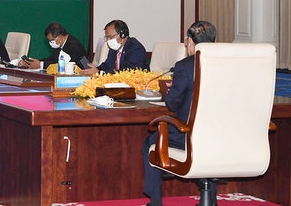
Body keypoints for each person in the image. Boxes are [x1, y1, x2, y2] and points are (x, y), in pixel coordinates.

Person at [142, 21, 217, 206]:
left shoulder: (184, 66)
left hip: (187, 134)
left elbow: (172, 103)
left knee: (151, 142)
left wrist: (171, 92)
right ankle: (211, 198)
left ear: (190, 42)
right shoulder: (226, 64)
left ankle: (156, 200)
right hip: (218, 134)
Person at [79, 19, 148, 75]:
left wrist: (99, 73)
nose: (108, 41)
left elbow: (127, 74)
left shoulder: (135, 49)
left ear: (122, 35)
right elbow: (106, 66)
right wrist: (93, 70)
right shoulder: (114, 48)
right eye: (106, 37)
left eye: (110, 37)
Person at [19, 22, 88, 69]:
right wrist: (31, 63)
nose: (50, 43)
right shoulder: (61, 44)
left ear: (60, 37)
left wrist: (41, 65)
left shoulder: (73, 46)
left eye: (51, 40)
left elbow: (64, 66)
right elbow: (52, 59)